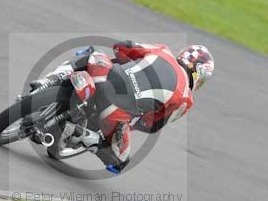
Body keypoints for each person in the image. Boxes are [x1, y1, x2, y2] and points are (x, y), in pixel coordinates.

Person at [30, 40, 214, 173]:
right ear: (200, 76)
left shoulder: (162, 50)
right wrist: (133, 122)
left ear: (183, 53)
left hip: (104, 77)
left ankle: (47, 81)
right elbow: (153, 125)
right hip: (115, 112)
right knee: (119, 162)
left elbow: (124, 47)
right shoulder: (185, 99)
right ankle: (78, 134)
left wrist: (123, 58)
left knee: (91, 54)